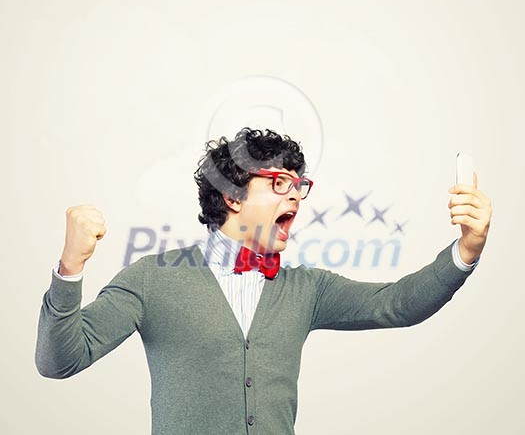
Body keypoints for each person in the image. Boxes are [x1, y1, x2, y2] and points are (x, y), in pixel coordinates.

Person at [35, 127, 492, 435]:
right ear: (232, 196)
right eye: (278, 183)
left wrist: (466, 251)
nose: (295, 193)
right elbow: (60, 361)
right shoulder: (151, 279)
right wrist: (69, 269)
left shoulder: (307, 289)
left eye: (299, 185)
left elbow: (398, 304)